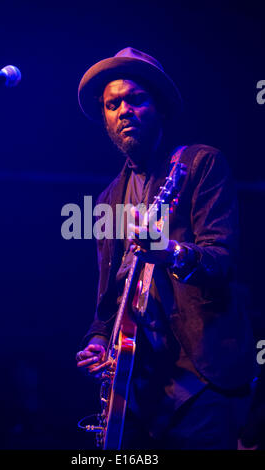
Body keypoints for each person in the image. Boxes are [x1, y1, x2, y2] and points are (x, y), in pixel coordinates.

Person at [75, 47, 255, 449]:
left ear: (158, 106)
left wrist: (170, 251)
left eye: (136, 99)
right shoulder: (107, 201)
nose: (124, 110)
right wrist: (97, 340)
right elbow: (109, 300)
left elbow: (223, 261)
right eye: (112, 104)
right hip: (137, 389)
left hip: (201, 381)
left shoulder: (199, 165)